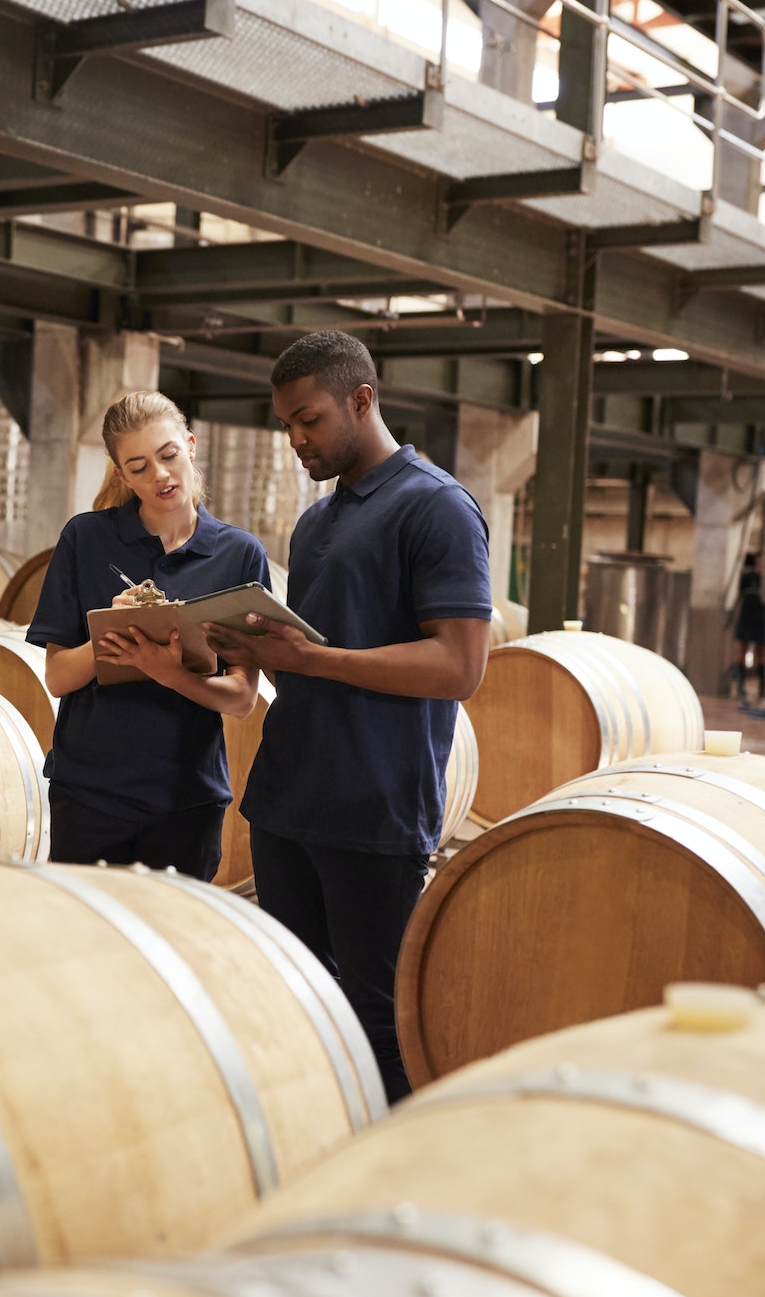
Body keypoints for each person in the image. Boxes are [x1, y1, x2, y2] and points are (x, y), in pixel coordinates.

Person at [202, 331, 491, 1104]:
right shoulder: (318, 523)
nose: (297, 440)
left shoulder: (438, 509)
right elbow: (313, 652)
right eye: (287, 426)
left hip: (375, 810)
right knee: (299, 1004)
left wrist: (312, 660)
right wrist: (236, 645)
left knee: (380, 1020)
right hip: (289, 800)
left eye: (311, 419)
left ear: (362, 400)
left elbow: (461, 667)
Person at [24, 391, 269, 880]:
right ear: (120, 474)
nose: (159, 475)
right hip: (89, 794)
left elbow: (242, 697)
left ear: (191, 446)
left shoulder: (238, 554)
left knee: (171, 948)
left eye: (168, 456)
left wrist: (169, 673)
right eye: (138, 467)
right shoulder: (86, 538)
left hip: (187, 801)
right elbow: (57, 677)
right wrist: (110, 637)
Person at [733, 551, 765, 703]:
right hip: (747, 617)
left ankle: (762, 689)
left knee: (761, 654)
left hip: (762, 619)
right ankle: (741, 688)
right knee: (742, 652)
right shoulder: (747, 578)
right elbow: (738, 597)